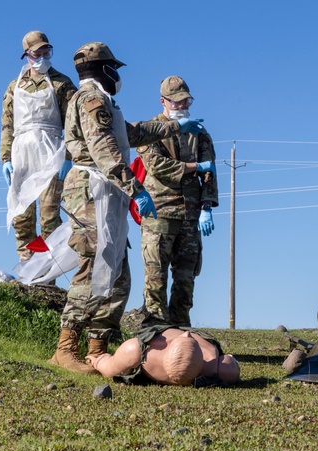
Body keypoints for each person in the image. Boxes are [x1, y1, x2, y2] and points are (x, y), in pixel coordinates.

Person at [49, 42, 205, 375]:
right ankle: (66, 348)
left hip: (107, 191)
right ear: (103, 69)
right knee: (93, 265)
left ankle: (96, 347)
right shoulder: (91, 101)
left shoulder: (105, 102)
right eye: (114, 68)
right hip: (91, 191)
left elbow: (132, 133)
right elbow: (105, 152)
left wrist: (175, 126)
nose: (118, 75)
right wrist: (136, 190)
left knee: (117, 273)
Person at [135, 76, 219, 327]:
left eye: (186, 101)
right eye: (177, 102)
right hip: (160, 213)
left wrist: (206, 206)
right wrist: (194, 167)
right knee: (156, 276)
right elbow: (157, 165)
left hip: (190, 215)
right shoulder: (150, 130)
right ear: (163, 101)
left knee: (186, 279)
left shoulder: (199, 133)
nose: (182, 106)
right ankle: (155, 331)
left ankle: (181, 329)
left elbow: (210, 171)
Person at [1, 30, 78, 263]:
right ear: (27, 54)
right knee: (21, 214)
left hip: (51, 151)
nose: (43, 57)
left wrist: (68, 156)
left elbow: (74, 123)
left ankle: (47, 272)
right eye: (37, 53)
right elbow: (7, 124)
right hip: (21, 153)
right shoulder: (14, 86)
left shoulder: (62, 83)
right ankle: (27, 266)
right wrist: (5, 159)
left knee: (49, 215)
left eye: (46, 52)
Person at [86, 326, 240, 386]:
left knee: (228, 370)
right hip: (155, 339)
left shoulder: (135, 351)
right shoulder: (212, 359)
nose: (186, 334)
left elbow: (109, 368)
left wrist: (96, 361)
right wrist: (97, 361)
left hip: (149, 354)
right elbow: (110, 366)